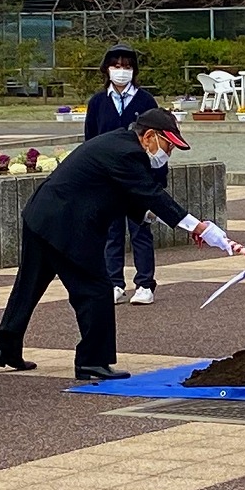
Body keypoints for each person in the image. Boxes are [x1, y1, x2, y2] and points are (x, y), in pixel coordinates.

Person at [0, 108, 231, 380]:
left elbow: (132, 198)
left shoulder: (119, 142)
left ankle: (6, 348)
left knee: (29, 286)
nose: (168, 155)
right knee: (95, 290)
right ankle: (93, 361)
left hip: (42, 215)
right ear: (149, 136)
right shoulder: (128, 153)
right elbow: (150, 194)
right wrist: (198, 226)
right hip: (67, 224)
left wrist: (184, 226)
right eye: (168, 146)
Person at [85, 43, 162, 307]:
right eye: (116, 66)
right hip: (107, 179)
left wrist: (156, 180)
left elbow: (158, 141)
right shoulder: (97, 102)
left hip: (139, 178)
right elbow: (90, 142)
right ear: (106, 69)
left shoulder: (145, 100)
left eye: (127, 66)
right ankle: (114, 283)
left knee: (141, 231)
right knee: (111, 232)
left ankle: (145, 284)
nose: (121, 71)